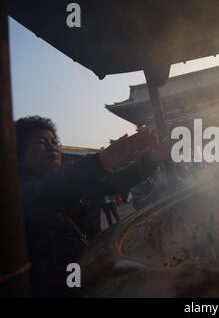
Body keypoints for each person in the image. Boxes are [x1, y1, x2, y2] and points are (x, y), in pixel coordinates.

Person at [15, 115, 171, 297]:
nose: (52, 147)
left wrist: (151, 161)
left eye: (54, 141)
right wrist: (100, 161)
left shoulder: (69, 183)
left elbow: (114, 182)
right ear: (19, 154)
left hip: (89, 275)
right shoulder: (15, 191)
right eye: (40, 143)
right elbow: (45, 192)